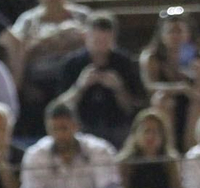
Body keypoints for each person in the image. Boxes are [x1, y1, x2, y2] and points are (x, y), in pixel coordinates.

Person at [51, 12, 142, 151]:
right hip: (81, 127)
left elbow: (131, 108)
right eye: (96, 41)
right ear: (86, 37)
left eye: (105, 42)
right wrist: (80, 87)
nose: (100, 47)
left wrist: (119, 88)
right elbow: (60, 106)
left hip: (117, 127)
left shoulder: (124, 63)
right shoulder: (71, 64)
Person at [19, 101, 121, 188]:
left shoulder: (99, 150)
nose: (60, 135)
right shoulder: (36, 155)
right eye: (54, 129)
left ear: (76, 126)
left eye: (64, 128)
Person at [140, 6, 200, 152]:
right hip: (166, 100)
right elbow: (150, 86)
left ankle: (190, 150)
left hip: (192, 103)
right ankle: (169, 150)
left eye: (179, 31)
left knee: (197, 104)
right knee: (162, 101)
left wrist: (198, 77)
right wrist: (180, 87)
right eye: (170, 31)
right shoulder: (152, 57)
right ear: (162, 35)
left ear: (188, 34)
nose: (175, 36)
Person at [117, 108, 180, 188]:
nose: (151, 136)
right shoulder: (125, 163)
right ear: (136, 133)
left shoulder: (170, 162)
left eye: (155, 131)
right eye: (146, 131)